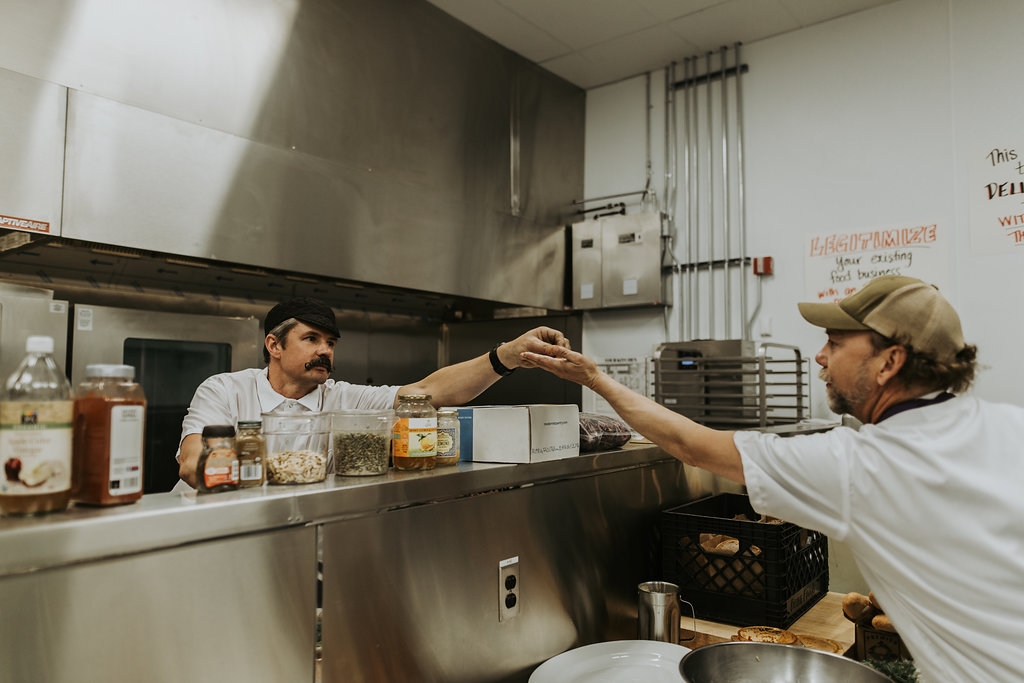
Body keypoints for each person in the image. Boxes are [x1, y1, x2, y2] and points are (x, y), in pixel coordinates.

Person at [520, 275, 1024, 682]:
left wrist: (594, 378)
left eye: (835, 342)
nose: (820, 356)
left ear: (890, 361)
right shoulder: (1010, 425)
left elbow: (691, 445)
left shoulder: (864, 464)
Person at [176, 296, 569, 489]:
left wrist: (508, 355)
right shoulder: (224, 390)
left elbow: (429, 392)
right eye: (311, 339)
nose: (325, 351)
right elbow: (192, 464)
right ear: (274, 345)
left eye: (331, 342)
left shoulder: (343, 397)